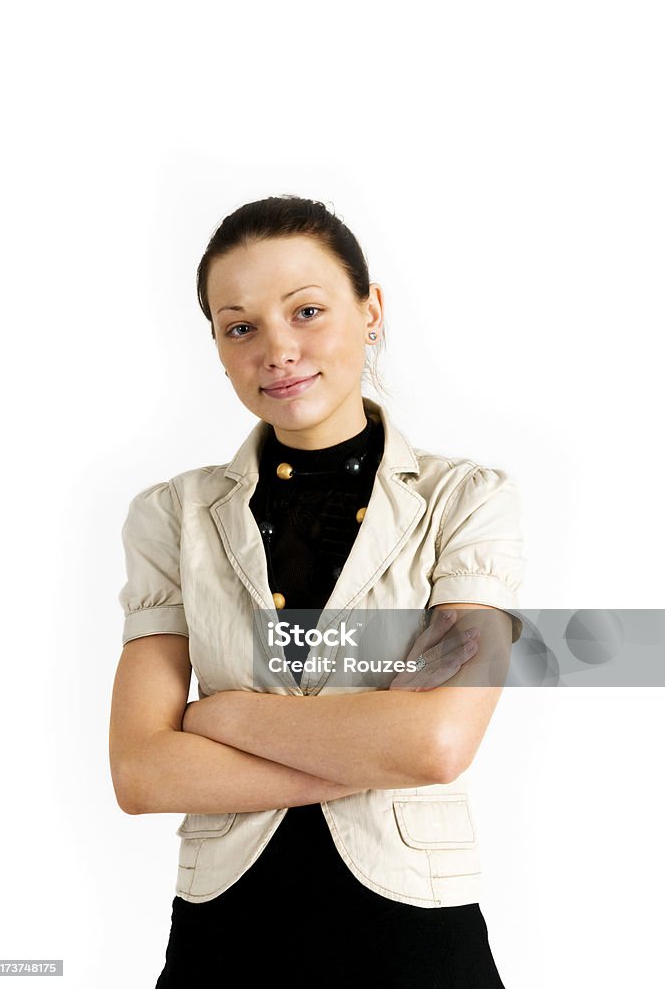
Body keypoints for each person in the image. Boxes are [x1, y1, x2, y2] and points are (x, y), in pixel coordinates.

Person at [109, 195, 525, 988]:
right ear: (219, 347)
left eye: (307, 311)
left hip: (414, 939)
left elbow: (435, 744)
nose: (278, 349)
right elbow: (143, 773)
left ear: (370, 310)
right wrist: (376, 745)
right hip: (223, 938)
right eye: (241, 326)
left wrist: (222, 716)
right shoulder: (172, 515)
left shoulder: (466, 499)